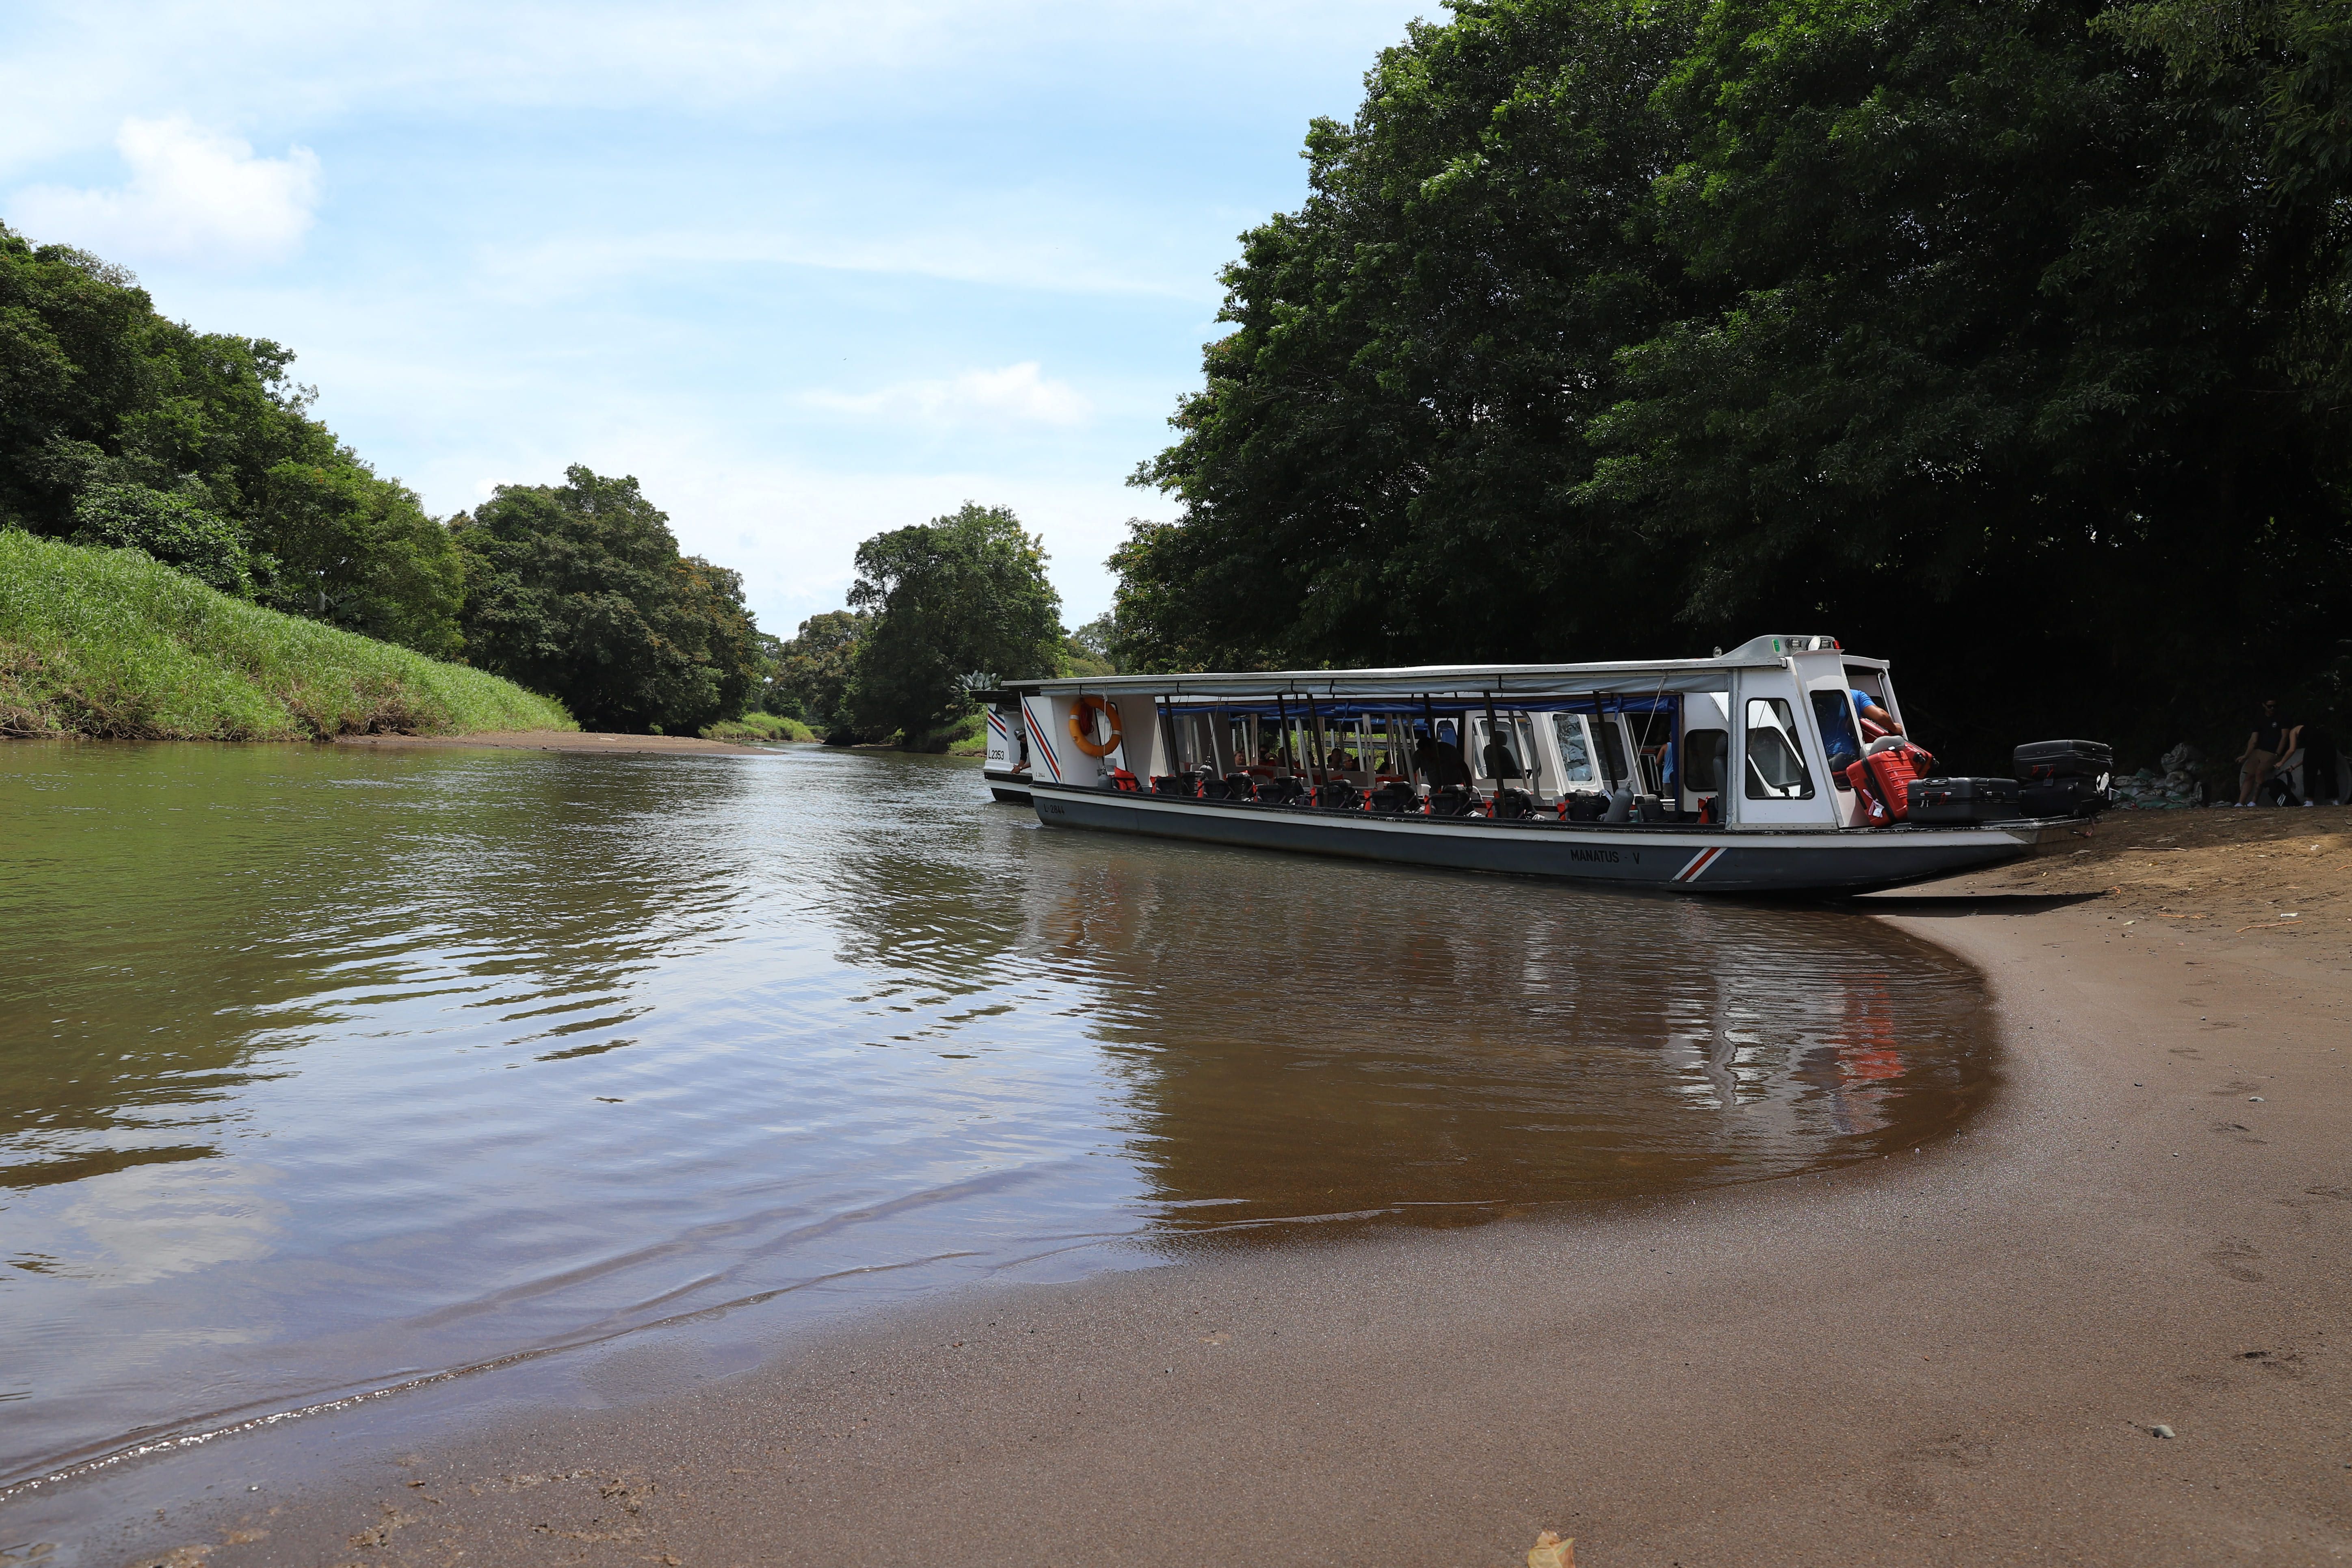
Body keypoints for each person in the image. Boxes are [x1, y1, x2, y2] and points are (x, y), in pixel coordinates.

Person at [2237, 699, 2300, 805]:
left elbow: (2284, 737)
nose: (2272, 709)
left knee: (2260, 772)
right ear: (2264, 705)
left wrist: (2277, 754)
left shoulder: (2283, 717)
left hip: (2272, 752)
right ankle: (2240, 803)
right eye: (2269, 706)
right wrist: (2246, 755)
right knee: (2249, 775)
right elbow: (2254, 739)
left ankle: (2254, 802)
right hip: (2259, 750)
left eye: (2274, 706)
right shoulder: (2259, 718)